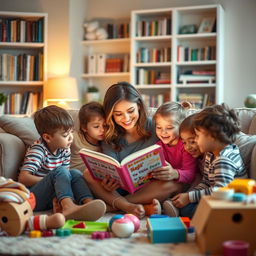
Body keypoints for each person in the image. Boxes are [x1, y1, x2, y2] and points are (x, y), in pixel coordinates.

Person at [84, 82, 181, 219]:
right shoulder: (110, 135)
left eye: (130, 111)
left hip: (150, 187)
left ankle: (117, 206)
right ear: (111, 115)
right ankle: (129, 206)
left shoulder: (157, 127)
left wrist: (172, 172)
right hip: (117, 190)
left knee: (174, 185)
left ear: (139, 107)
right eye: (118, 114)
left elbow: (178, 150)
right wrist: (107, 181)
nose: (127, 118)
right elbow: (111, 167)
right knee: (88, 174)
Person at [18, 105, 106, 221]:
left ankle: (88, 204)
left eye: (71, 133)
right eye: (65, 135)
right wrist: (53, 180)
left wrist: (57, 185)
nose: (70, 138)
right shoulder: (38, 150)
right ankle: (68, 207)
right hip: (32, 197)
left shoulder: (64, 149)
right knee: (61, 172)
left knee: (74, 173)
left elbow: (65, 179)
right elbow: (23, 178)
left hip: (51, 197)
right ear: (48, 137)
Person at [164, 103, 247, 219]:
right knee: (187, 204)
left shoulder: (224, 160)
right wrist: (189, 195)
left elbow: (220, 191)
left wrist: (189, 198)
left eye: (197, 136)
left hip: (230, 205)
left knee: (190, 209)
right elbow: (206, 182)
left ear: (212, 136)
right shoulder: (211, 155)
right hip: (216, 198)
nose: (196, 141)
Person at [152, 102, 198, 215]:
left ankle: (170, 204)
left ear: (181, 127)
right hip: (163, 183)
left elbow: (191, 173)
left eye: (169, 128)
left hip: (183, 183)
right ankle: (154, 205)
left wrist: (174, 173)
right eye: (159, 127)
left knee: (167, 186)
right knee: (156, 185)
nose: (163, 132)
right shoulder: (158, 146)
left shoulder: (185, 146)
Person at [70, 101, 105, 172]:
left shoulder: (105, 144)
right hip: (73, 175)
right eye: (96, 126)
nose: (102, 130)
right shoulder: (75, 138)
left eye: (105, 125)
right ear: (84, 128)